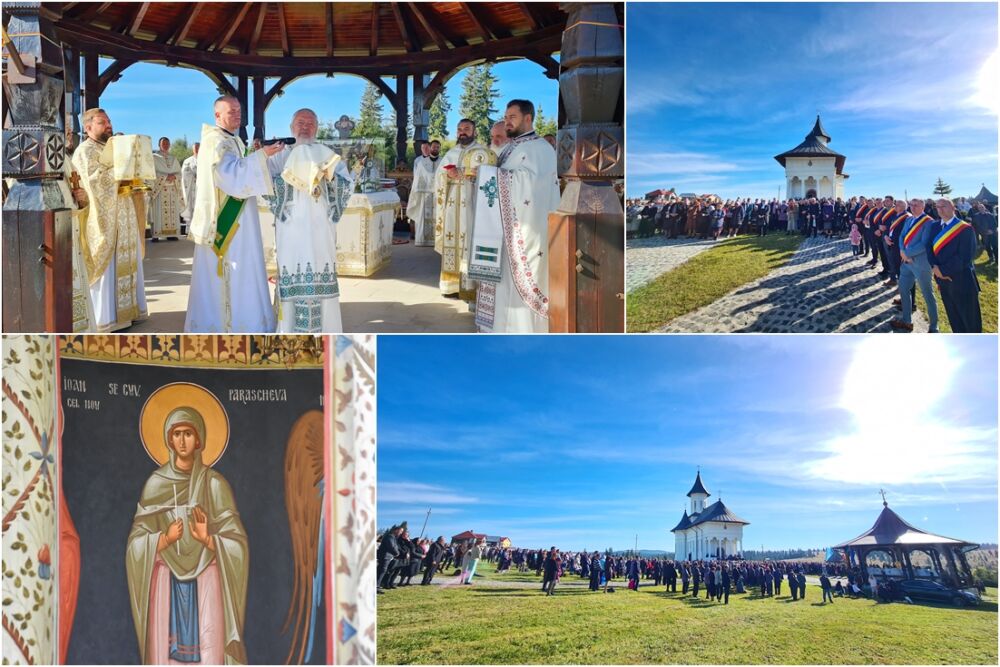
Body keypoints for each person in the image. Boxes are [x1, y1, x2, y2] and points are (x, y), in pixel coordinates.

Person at [125, 407, 249, 664]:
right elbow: (135, 544)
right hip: (166, 579)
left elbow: (238, 545)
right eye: (177, 434)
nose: (182, 440)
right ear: (169, 440)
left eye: (188, 434)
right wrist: (163, 540)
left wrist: (209, 539)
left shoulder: (214, 485)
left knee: (210, 650)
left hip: (207, 578)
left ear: (199, 439)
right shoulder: (155, 484)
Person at [185, 95, 283, 332]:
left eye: (239, 111)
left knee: (247, 266)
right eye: (231, 112)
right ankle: (229, 324)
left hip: (240, 215)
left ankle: (249, 318)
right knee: (233, 271)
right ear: (217, 115)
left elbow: (239, 171)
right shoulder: (215, 141)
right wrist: (262, 156)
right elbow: (229, 176)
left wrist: (258, 156)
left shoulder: (231, 139)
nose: (237, 115)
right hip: (225, 222)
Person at [471, 100, 560, 333]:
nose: (507, 121)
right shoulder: (512, 147)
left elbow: (529, 185)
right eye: (506, 116)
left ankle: (522, 330)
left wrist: (490, 176)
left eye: (512, 117)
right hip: (503, 230)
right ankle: (499, 327)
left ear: (528, 118)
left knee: (516, 281)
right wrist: (482, 175)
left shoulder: (540, 148)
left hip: (525, 230)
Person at [266, 108, 354, 333]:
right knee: (291, 268)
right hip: (291, 227)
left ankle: (327, 331)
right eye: (300, 122)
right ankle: (288, 332)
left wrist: (328, 179)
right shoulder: (279, 154)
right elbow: (264, 181)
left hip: (320, 227)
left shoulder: (327, 153)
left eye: (310, 123)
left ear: (316, 128)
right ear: (291, 127)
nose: (305, 127)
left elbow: (347, 183)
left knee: (320, 265)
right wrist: (290, 182)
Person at [71, 108, 148, 332]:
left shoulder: (111, 149)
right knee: (109, 267)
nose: (108, 126)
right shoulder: (84, 152)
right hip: (104, 219)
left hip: (124, 214)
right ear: (88, 128)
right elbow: (93, 184)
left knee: (128, 261)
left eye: (109, 122)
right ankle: (108, 318)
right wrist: (119, 167)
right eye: (102, 122)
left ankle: (130, 312)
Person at [435, 119, 489, 301]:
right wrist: (447, 174)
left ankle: (471, 285)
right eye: (459, 129)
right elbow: (439, 176)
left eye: (466, 129)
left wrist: (465, 172)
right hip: (452, 205)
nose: (462, 132)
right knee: (452, 241)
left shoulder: (482, 152)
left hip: (473, 203)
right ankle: (450, 286)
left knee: (470, 240)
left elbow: (489, 174)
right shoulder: (451, 152)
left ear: (474, 131)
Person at [930, 198, 981, 332]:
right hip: (943, 281)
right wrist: (934, 267)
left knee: (970, 322)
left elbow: (964, 257)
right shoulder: (934, 226)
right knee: (954, 319)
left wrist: (943, 271)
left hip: (962, 281)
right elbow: (929, 249)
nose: (940, 209)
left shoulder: (965, 228)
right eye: (937, 207)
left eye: (944, 206)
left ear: (953, 208)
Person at [892, 199, 938, 333]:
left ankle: (934, 327)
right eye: (911, 205)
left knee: (928, 295)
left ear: (923, 206)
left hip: (921, 264)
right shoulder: (909, 219)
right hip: (906, 262)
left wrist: (906, 253)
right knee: (903, 289)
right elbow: (902, 236)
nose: (913, 207)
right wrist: (902, 251)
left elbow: (924, 244)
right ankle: (907, 321)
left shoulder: (928, 222)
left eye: (916, 205)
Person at [148, 137, 184, 241]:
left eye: (167, 143)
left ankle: (171, 234)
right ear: (159, 144)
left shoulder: (173, 158)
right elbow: (151, 173)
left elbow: (179, 173)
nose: (166, 145)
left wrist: (175, 177)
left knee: (172, 211)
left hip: (172, 189)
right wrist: (165, 177)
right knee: (158, 212)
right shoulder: (154, 157)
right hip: (159, 189)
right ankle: (156, 235)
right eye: (163, 143)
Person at [408, 141, 439, 247]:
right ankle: (422, 240)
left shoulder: (443, 161)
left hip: (438, 194)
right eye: (433, 147)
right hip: (424, 194)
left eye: (437, 147)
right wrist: (417, 190)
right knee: (422, 216)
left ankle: (437, 240)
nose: (435, 149)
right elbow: (417, 177)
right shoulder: (421, 162)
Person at [180, 142, 199, 233]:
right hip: (191, 189)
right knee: (191, 208)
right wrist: (194, 175)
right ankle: (190, 230)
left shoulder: (205, 160)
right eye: (195, 148)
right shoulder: (187, 161)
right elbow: (184, 174)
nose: (197, 149)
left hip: (201, 189)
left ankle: (199, 229)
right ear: (193, 150)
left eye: (198, 147)